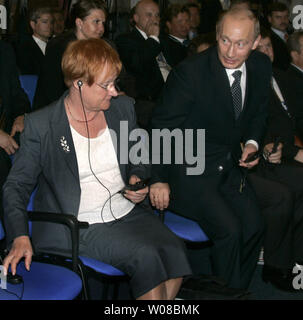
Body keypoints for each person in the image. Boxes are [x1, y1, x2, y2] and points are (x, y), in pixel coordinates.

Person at [2, 38, 192, 300]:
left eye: (115, 83)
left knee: (174, 248)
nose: (114, 91)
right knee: (147, 256)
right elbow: (16, 186)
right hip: (80, 224)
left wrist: (137, 176)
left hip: (127, 212)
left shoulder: (122, 109)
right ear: (78, 83)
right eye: (106, 85)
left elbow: (140, 154)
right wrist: (20, 235)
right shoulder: (43, 125)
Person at [150, 8, 271, 289]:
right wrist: (158, 178)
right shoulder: (190, 73)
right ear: (217, 35)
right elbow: (161, 127)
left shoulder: (261, 66)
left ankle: (232, 290)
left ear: (255, 42)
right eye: (224, 40)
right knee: (230, 231)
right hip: (189, 170)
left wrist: (253, 143)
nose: (230, 51)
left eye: (240, 44)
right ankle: (227, 294)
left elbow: (259, 113)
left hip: (227, 167)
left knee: (255, 227)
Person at [246, 29, 303, 291]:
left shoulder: (283, 77)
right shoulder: (248, 86)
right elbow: (258, 132)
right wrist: (291, 152)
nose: (265, 53)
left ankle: (294, 255)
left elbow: (296, 119)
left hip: (286, 151)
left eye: (268, 47)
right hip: (265, 159)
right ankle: (279, 263)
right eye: (259, 49)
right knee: (292, 188)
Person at [32, 0, 108, 111]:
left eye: (103, 23)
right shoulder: (59, 47)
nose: (101, 29)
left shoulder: (105, 46)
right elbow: (53, 89)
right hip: (57, 108)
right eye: (96, 22)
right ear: (79, 23)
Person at [116, 0, 172, 128]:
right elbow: (137, 64)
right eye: (149, 15)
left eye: (157, 15)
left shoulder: (164, 39)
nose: (154, 19)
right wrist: (153, 38)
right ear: (136, 18)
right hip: (146, 103)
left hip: (171, 97)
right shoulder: (125, 40)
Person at [0, 40, 31, 221]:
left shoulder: (4, 49)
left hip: (7, 127)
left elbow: (17, 93)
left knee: (40, 146)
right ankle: (14, 236)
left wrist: (21, 115)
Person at [16, 6, 54, 75]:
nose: (49, 26)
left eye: (51, 22)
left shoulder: (56, 45)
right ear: (33, 25)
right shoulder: (24, 48)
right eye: (45, 22)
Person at [267, 2, 291, 70]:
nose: (283, 20)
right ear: (270, 19)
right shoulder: (268, 40)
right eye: (278, 17)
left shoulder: (291, 35)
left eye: (286, 16)